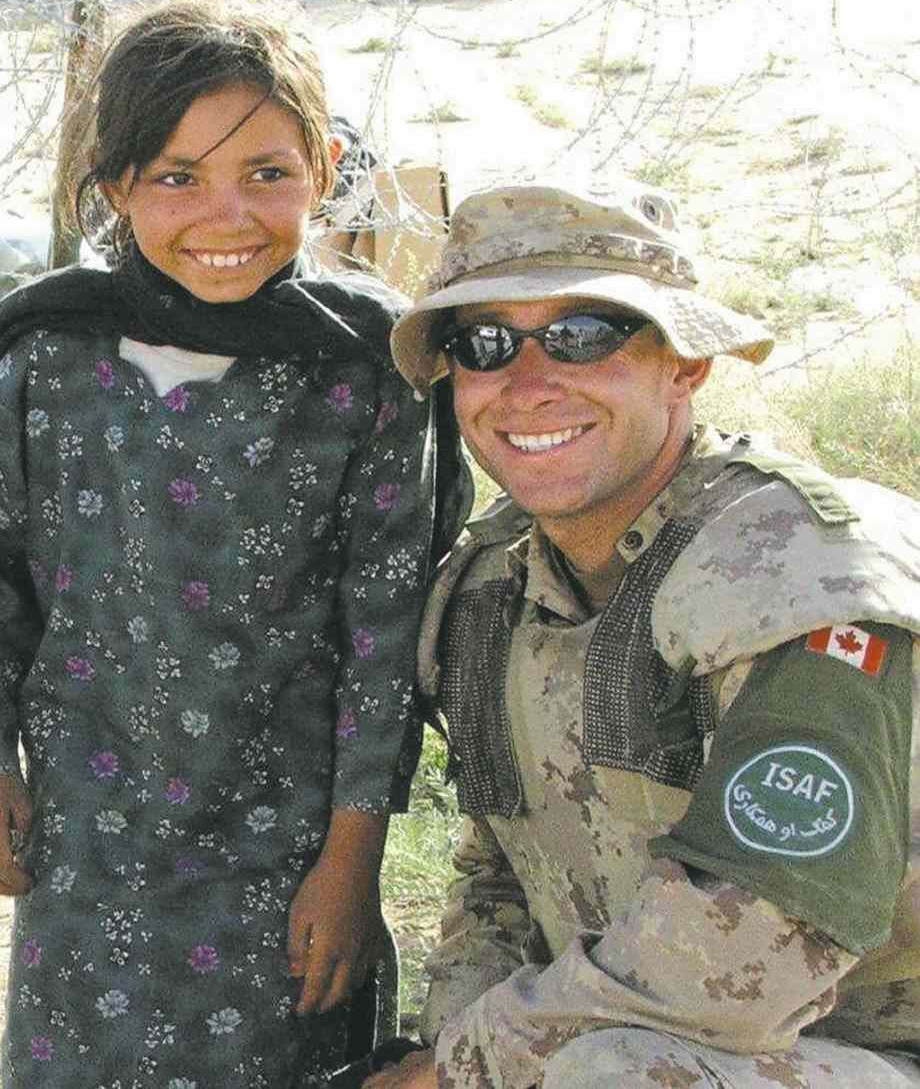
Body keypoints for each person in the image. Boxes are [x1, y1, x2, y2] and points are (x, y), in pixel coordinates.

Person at [0, 0, 469, 1088]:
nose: (227, 214)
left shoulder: (366, 368)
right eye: (178, 177)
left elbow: (385, 630)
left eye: (267, 173)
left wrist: (352, 861)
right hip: (86, 838)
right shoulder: (47, 353)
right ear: (116, 185)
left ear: (322, 170)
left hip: (290, 851)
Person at [364, 182, 920, 1088]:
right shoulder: (490, 588)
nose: (529, 384)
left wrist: (461, 1069)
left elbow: (754, 954)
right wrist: (453, 1046)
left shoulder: (803, 575)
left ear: (684, 363)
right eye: (485, 344)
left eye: (584, 335)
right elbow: (500, 873)